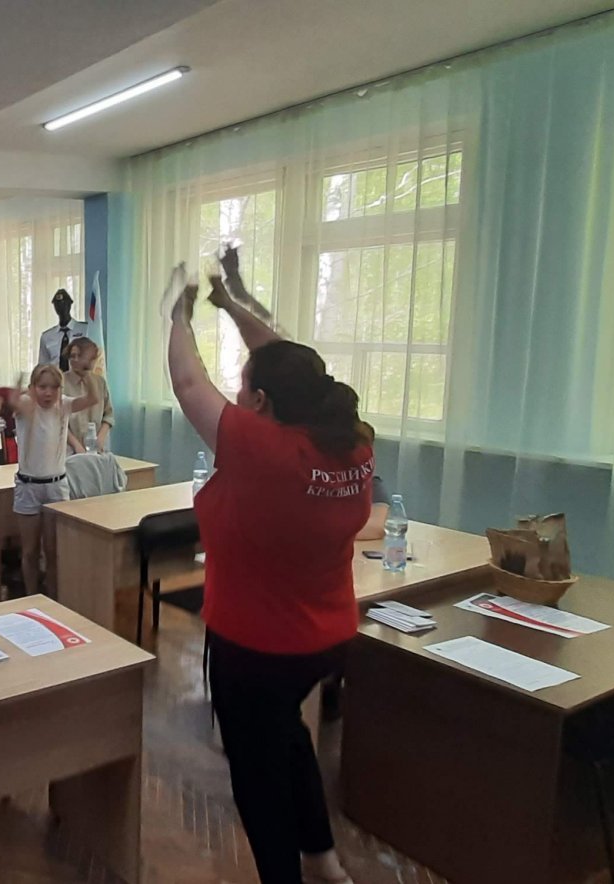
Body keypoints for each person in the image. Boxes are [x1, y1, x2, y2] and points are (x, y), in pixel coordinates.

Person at [166, 258, 373, 884]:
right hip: (325, 639)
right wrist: (230, 304)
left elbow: (188, 382)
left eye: (243, 386)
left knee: (257, 780)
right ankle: (322, 858)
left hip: (256, 646)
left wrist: (178, 315)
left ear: (261, 402)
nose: (234, 393)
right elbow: (293, 365)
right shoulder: (350, 443)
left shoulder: (263, 451)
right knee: (289, 737)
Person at [9, 364, 98, 598]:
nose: (48, 393)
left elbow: (93, 398)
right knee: (29, 551)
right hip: (28, 486)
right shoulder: (28, 405)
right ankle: (31, 596)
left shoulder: (63, 405)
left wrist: (86, 373)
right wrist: (18, 385)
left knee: (53, 550)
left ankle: (53, 597)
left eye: (54, 387)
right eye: (42, 387)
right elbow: (14, 402)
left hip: (56, 487)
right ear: (33, 387)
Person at [63, 337, 115, 454]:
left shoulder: (100, 382)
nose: (75, 360)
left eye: (80, 356)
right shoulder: (62, 381)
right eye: (72, 356)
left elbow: (108, 415)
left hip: (97, 449)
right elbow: (58, 420)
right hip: (69, 449)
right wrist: (76, 445)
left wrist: (100, 438)